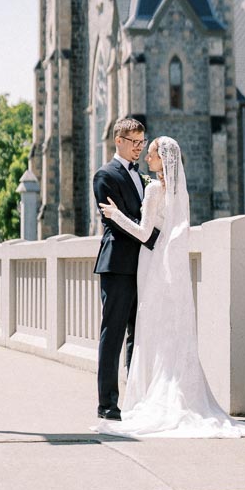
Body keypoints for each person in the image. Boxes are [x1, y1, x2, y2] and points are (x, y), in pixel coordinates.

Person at [97, 135, 245, 438]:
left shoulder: (152, 188)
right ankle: (174, 393)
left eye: (149, 153)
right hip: (170, 267)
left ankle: (148, 396)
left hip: (152, 265)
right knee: (169, 332)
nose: (146, 157)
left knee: (149, 332)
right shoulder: (178, 190)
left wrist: (116, 215)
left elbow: (142, 231)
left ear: (160, 159)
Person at [92, 117, 159, 421]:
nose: (139, 149)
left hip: (143, 267)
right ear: (118, 141)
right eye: (134, 143)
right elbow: (116, 223)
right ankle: (107, 405)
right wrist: (155, 237)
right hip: (117, 265)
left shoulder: (143, 178)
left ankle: (133, 399)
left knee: (139, 335)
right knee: (113, 334)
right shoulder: (104, 175)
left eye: (142, 143)